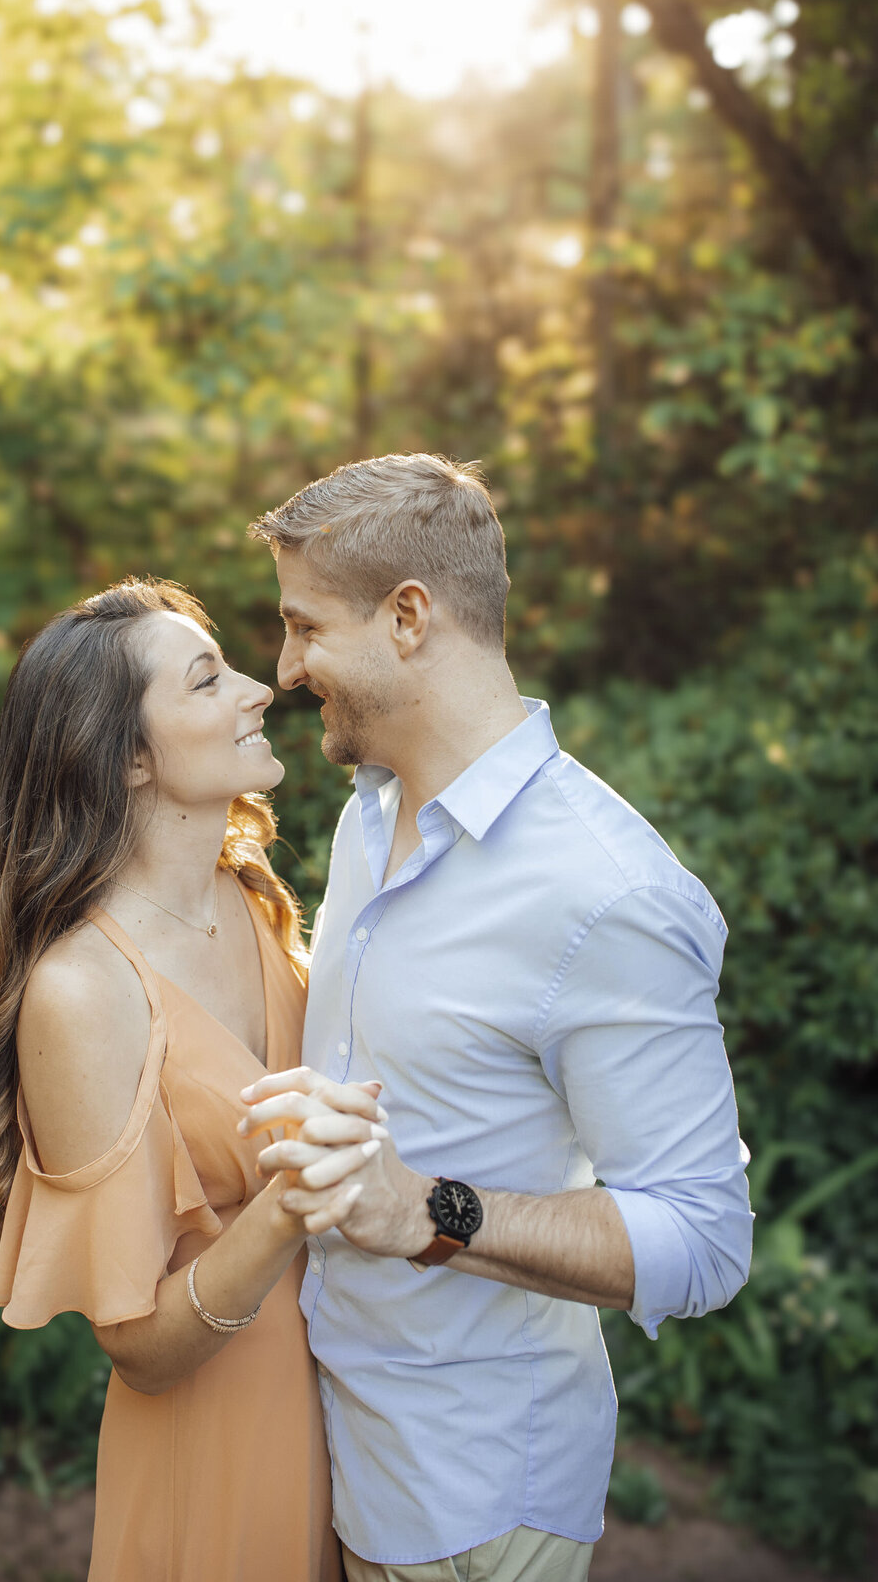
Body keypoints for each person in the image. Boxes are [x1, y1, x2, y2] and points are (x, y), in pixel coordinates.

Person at [239, 454, 754, 1582]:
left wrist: (426, 1207)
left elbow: (704, 1241)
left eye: (302, 627)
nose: (282, 669)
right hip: (330, 1447)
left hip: (475, 1504)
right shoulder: (369, 818)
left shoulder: (608, 892)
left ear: (409, 617)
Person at [0, 577, 384, 1582]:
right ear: (132, 757)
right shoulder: (80, 992)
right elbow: (138, 1343)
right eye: (208, 679)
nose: (261, 688)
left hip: (356, 1415)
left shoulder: (253, 899)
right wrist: (287, 1206)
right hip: (217, 1448)